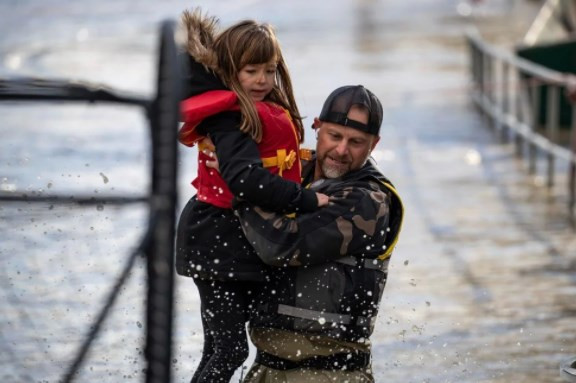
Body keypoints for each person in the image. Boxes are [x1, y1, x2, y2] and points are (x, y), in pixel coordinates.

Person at [175, 9, 328, 383]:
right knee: (230, 350)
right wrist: (309, 200)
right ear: (229, 71)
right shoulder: (228, 119)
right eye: (250, 71)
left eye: (269, 70)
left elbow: (272, 163)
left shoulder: (254, 111)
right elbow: (246, 181)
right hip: (215, 241)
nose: (262, 80)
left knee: (218, 348)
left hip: (230, 241)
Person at [232, 85, 405, 383]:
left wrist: (238, 186)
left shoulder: (369, 200)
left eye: (356, 142)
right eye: (334, 136)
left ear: (373, 145)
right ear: (317, 127)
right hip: (264, 368)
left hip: (329, 374)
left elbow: (281, 244)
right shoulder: (289, 172)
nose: (341, 150)